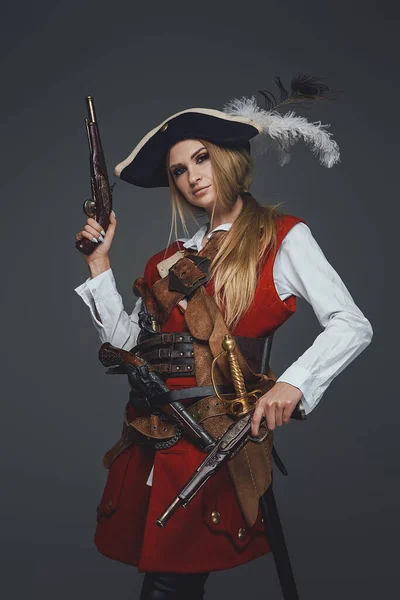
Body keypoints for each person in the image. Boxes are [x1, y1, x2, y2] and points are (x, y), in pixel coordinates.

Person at [74, 76, 373, 599]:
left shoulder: (282, 236)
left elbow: (351, 323)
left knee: (168, 584)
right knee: (169, 582)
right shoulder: (169, 260)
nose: (192, 176)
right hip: (156, 434)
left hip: (217, 438)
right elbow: (130, 349)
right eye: (179, 170)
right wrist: (99, 264)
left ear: (227, 157)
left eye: (202, 158)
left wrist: (294, 384)